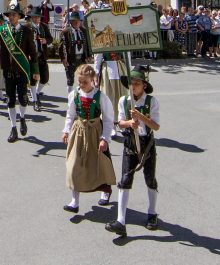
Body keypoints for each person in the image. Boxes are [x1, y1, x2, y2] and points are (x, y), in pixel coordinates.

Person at [107, 65, 161, 236]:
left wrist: (141, 117)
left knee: (150, 178)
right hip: (130, 142)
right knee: (125, 179)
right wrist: (130, 123)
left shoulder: (152, 101)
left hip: (147, 143)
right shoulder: (124, 100)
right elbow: (120, 122)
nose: (133, 87)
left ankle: (152, 213)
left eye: (137, 83)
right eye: (131, 83)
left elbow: (156, 126)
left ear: (144, 85)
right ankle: (121, 221)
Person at [62, 64, 116, 214]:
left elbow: (108, 119)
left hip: (95, 133)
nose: (81, 84)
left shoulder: (101, 97)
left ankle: (105, 192)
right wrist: (66, 131)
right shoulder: (74, 95)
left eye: (84, 82)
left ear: (92, 80)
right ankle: (74, 202)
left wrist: (105, 138)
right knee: (74, 165)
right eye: (79, 81)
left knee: (100, 164)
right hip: (78, 132)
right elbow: (70, 114)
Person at [0, 5, 39, 143]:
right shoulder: (3, 31)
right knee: (10, 100)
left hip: (21, 70)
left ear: (19, 16)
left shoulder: (26, 31)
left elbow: (32, 52)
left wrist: (35, 71)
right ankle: (13, 128)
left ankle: (23, 118)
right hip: (8, 70)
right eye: (10, 15)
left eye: (14, 15)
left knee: (23, 99)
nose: (11, 17)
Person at [28, 6, 53, 111]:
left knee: (45, 78)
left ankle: (37, 93)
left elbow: (51, 38)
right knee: (33, 80)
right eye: (35, 17)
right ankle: (35, 101)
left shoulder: (44, 27)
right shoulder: (26, 27)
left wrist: (45, 41)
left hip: (42, 55)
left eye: (38, 18)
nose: (37, 19)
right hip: (32, 57)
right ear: (31, 17)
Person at [60, 11, 89, 93]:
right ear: (71, 22)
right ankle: (70, 98)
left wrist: (89, 55)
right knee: (70, 80)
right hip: (71, 59)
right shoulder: (66, 32)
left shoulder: (83, 31)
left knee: (83, 78)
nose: (76, 23)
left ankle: (81, 95)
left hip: (81, 58)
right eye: (75, 21)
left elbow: (87, 44)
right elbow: (61, 47)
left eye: (78, 21)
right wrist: (63, 59)